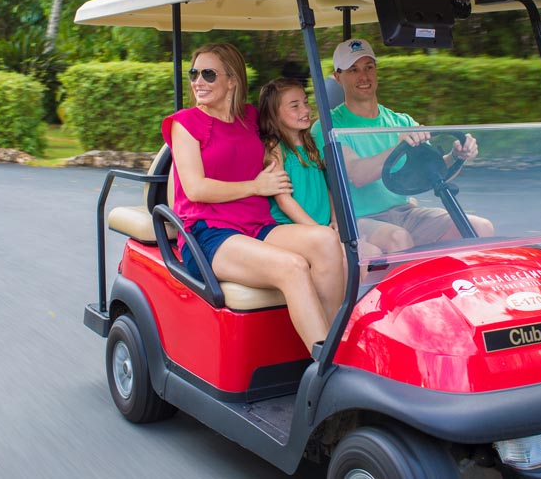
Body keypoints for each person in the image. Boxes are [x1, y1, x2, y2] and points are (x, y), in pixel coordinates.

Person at [163, 43, 345, 353]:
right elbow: (195, 189)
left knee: (328, 240)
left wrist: (323, 109)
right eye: (194, 74)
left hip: (257, 225)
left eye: (208, 74)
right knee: (293, 266)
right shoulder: (186, 124)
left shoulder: (248, 118)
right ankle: (327, 366)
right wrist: (256, 186)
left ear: (232, 80)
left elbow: (282, 115)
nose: (198, 82)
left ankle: (332, 349)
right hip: (209, 233)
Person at [310, 38, 494, 250]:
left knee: (481, 228)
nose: (364, 76)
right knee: (398, 238)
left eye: (369, 67)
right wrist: (396, 146)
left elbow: (431, 175)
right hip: (358, 219)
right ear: (338, 77)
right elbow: (356, 175)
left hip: (405, 212)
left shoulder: (401, 121)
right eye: (353, 70)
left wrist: (456, 156)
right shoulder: (328, 126)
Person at [257, 78, 391, 256]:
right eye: (295, 106)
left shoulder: (310, 143)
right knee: (366, 255)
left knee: (372, 253)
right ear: (274, 113)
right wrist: (319, 231)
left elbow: (326, 187)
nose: (305, 110)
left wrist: (335, 219)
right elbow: (284, 201)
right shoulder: (275, 148)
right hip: (296, 227)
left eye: (305, 102)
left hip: (323, 226)